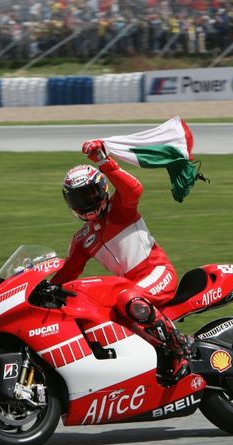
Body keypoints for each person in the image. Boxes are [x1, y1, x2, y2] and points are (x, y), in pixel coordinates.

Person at [50, 139, 194, 385]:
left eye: (90, 195)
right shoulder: (82, 240)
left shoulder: (120, 209)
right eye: (78, 199)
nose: (85, 203)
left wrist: (103, 162)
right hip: (129, 288)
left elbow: (134, 189)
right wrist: (41, 290)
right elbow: (67, 273)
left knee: (127, 299)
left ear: (103, 190)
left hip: (158, 272)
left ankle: (180, 350)